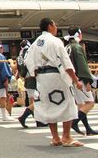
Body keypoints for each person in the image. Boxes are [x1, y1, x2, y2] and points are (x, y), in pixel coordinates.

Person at [25, 18, 84, 147]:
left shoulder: (35, 43)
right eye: (55, 24)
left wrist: (34, 73)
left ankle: (55, 137)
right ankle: (66, 137)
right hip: (57, 76)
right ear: (50, 26)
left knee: (49, 105)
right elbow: (65, 62)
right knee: (68, 103)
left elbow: (27, 60)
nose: (56, 27)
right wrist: (75, 80)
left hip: (42, 77)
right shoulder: (55, 41)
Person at [65, 27, 97, 136]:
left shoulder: (67, 47)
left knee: (81, 104)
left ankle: (88, 129)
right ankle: (74, 122)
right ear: (78, 34)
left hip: (71, 78)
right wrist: (88, 81)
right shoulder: (77, 47)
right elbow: (82, 66)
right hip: (80, 78)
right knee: (90, 103)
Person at [16, 39, 45, 128]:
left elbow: (20, 70)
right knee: (39, 100)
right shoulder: (30, 52)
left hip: (26, 79)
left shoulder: (19, 56)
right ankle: (23, 117)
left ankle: (39, 120)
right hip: (33, 78)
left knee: (33, 100)